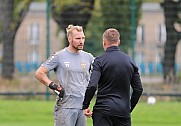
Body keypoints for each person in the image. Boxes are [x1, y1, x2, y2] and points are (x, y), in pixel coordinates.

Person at [35, 24, 94, 126]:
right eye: (78, 38)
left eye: (83, 38)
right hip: (65, 106)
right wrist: (53, 86)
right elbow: (39, 73)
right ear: (69, 39)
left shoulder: (88, 57)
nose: (81, 41)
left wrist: (86, 104)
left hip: (82, 107)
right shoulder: (59, 56)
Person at [83, 28, 143, 126]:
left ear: (104, 42)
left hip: (103, 111)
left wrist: (85, 105)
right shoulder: (130, 61)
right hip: (123, 112)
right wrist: (128, 108)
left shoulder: (99, 61)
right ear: (118, 41)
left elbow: (92, 85)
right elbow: (139, 89)